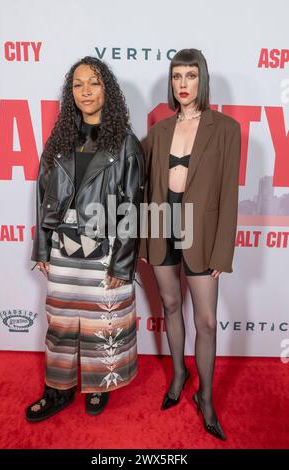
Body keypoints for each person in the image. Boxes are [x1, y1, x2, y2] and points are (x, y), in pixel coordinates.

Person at [26, 56, 144, 422]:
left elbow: (132, 207)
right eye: (78, 84)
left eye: (93, 83)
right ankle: (58, 390)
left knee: (102, 326)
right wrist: (43, 246)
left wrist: (123, 265)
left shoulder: (126, 144)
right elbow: (43, 195)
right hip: (63, 250)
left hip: (106, 253)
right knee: (60, 326)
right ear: (70, 92)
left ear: (106, 89)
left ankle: (98, 386)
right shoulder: (59, 140)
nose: (85, 91)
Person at [139, 49, 241, 441]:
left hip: (202, 231)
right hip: (162, 224)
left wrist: (222, 252)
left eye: (191, 76)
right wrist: (146, 237)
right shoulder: (159, 131)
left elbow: (228, 195)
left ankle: (207, 397)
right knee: (169, 305)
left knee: (208, 322)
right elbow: (147, 188)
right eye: (177, 76)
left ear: (203, 80)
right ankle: (179, 373)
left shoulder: (226, 129)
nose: (183, 84)